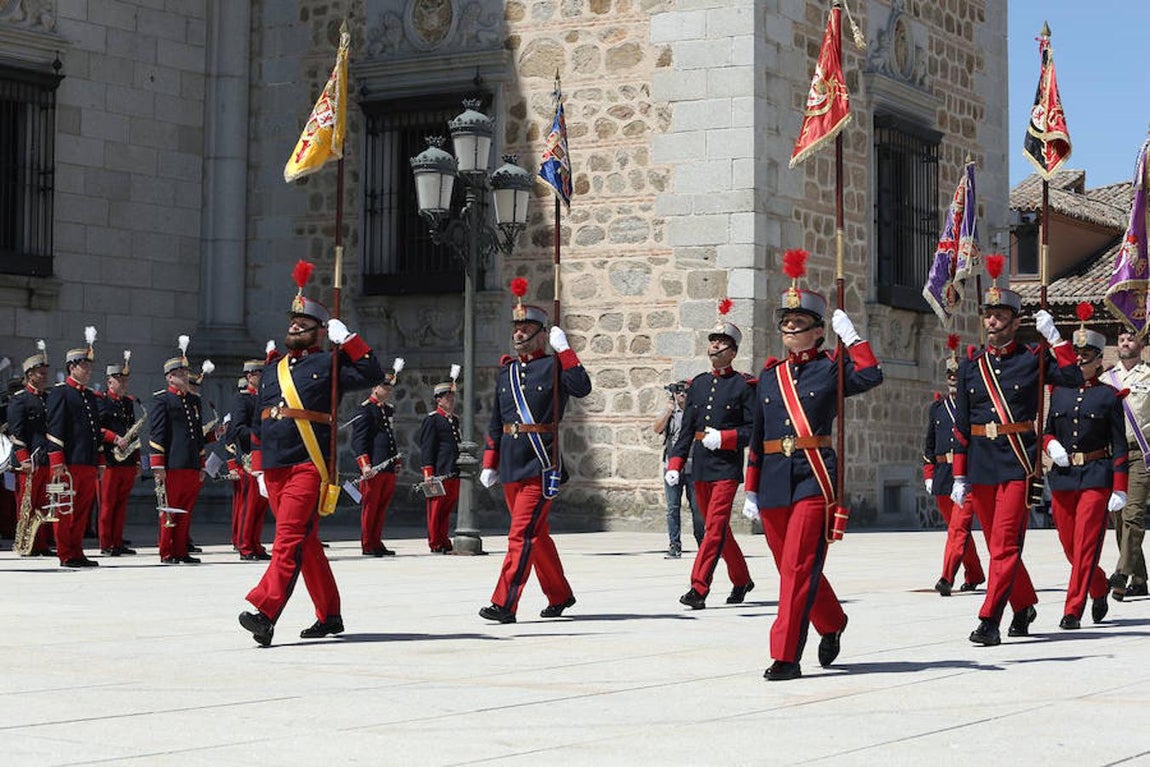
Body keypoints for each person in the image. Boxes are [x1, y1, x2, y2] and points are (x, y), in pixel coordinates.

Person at [743, 248, 883, 681]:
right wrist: (750, 485)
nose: (789, 330)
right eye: (785, 325)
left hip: (812, 477)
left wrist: (854, 338)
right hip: (772, 481)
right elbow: (756, 433)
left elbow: (872, 375)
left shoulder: (832, 369)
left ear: (818, 332)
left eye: (798, 324)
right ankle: (833, 621)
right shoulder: (769, 376)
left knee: (799, 566)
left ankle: (785, 655)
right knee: (789, 565)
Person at [239, 260, 382, 647]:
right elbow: (259, 420)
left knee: (287, 538)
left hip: (308, 464)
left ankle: (265, 613)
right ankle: (329, 614)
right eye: (293, 322)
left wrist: (349, 339)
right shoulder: (272, 369)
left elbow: (373, 372)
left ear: (319, 332)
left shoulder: (330, 363)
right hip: (275, 466)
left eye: (304, 323)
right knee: (305, 542)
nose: (295, 326)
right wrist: (257, 467)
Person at [951, 254, 1083, 646]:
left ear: (1015, 320)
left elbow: (1074, 377)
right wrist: (959, 473)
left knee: (1005, 544)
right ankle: (1023, 603)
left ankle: (989, 618)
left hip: (1017, 462)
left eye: (999, 315)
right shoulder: (971, 366)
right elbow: (961, 424)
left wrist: (1056, 339)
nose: (991, 321)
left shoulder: (1034, 359)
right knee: (996, 545)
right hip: (981, 463)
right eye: (988, 315)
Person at [477, 279, 592, 624]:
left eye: (526, 328)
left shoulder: (555, 366)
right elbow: (497, 421)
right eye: (516, 328)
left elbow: (582, 388)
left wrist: (566, 351)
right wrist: (489, 461)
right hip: (512, 463)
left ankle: (504, 603)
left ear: (542, 334)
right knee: (535, 534)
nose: (519, 335)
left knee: (520, 534)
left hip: (541, 463)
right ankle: (559, 594)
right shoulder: (507, 373)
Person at [666, 298, 756, 611]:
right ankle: (742, 579)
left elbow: (752, 430)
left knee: (714, 527)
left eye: (722, 342)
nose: (715, 346)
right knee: (714, 528)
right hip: (700, 466)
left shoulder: (744, 386)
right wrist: (675, 462)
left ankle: (698, 586)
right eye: (713, 341)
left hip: (727, 467)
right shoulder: (699, 385)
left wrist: (727, 438)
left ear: (733, 351)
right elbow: (686, 428)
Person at [1042, 307, 1126, 629]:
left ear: (1098, 359)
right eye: (1076, 355)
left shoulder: (1109, 397)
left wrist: (1119, 487)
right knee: (1069, 546)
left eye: (1086, 355)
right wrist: (1051, 445)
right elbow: (1048, 428)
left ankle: (1072, 609)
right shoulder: (1060, 392)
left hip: (1095, 475)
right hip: (1063, 477)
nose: (1079, 361)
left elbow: (1118, 445)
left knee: (1086, 543)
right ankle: (1098, 584)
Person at [46, 329, 112, 568]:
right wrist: (56, 461)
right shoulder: (60, 393)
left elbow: (96, 432)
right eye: (83, 365)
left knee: (82, 510)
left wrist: (101, 460)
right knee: (65, 508)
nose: (88, 369)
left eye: (89, 365)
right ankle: (65, 553)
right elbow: (54, 429)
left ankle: (77, 550)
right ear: (71, 367)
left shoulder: (91, 397)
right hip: (67, 462)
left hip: (87, 461)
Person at [924, 334, 984, 595]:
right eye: (949, 374)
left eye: (955, 374)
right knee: (957, 529)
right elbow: (929, 443)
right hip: (943, 473)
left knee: (959, 528)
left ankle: (946, 576)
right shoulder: (937, 408)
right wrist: (929, 473)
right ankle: (975, 573)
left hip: (966, 473)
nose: (951, 378)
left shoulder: (971, 407)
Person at [148, 337, 208, 564]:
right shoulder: (162, 400)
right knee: (169, 509)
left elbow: (198, 436)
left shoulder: (194, 401)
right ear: (170, 377)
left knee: (186, 510)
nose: (185, 376)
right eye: (180, 373)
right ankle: (167, 551)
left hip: (191, 464)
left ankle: (182, 549)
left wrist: (201, 464)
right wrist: (158, 465)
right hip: (172, 465)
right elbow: (157, 435)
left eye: (186, 373)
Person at [1103, 329, 1150, 600]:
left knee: (1133, 515)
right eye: (1121, 340)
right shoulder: (1106, 378)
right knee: (1119, 517)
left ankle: (1121, 573)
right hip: (1114, 456)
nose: (1125, 343)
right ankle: (1140, 577)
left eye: (1130, 339)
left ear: (1140, 343)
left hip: (1142, 454)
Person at [352, 359, 404, 556]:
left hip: (387, 465)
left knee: (382, 507)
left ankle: (377, 541)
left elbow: (390, 436)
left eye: (389, 388)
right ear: (374, 387)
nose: (388, 391)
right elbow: (359, 441)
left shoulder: (386, 410)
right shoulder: (366, 410)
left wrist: (396, 461)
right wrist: (365, 465)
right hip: (373, 466)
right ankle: (368, 543)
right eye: (384, 387)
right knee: (371, 506)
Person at [7, 341, 53, 556]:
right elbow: (16, 433)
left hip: (44, 458)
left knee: (43, 504)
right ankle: (25, 544)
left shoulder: (47, 399)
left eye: (46, 373)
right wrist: (24, 459)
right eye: (41, 373)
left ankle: (41, 543)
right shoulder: (20, 400)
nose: (45, 376)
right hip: (29, 460)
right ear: (30, 374)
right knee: (26, 505)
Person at [653, 380, 703, 558]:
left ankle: (703, 544)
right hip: (671, 466)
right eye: (678, 391)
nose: (681, 395)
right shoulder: (671, 413)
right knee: (672, 508)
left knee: (697, 508)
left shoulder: (695, 412)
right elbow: (657, 429)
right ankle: (675, 544)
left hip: (692, 466)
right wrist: (668, 411)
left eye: (684, 392)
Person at [227, 358, 270, 561]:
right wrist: (260, 434)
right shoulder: (242, 399)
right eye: (259, 374)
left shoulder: (266, 398)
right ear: (249, 376)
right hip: (250, 457)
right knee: (250, 504)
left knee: (261, 504)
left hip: (267, 456)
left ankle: (255, 542)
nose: (262, 378)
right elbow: (237, 429)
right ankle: (245, 545)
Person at [98, 351, 139, 556]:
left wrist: (138, 460)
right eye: (119, 380)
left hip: (128, 460)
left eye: (125, 380)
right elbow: (97, 429)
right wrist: (114, 438)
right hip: (111, 459)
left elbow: (133, 430)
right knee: (108, 504)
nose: (123, 384)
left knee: (121, 504)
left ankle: (118, 540)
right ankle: (106, 544)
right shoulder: (102, 401)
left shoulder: (128, 403)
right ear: (109, 381)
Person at [418, 369, 461, 554]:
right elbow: (427, 447)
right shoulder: (433, 420)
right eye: (447, 398)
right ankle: (435, 541)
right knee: (436, 509)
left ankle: (444, 539)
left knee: (447, 508)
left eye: (452, 397)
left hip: (453, 469)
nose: (450, 400)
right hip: (439, 471)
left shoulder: (454, 420)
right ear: (438, 400)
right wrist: (428, 473)